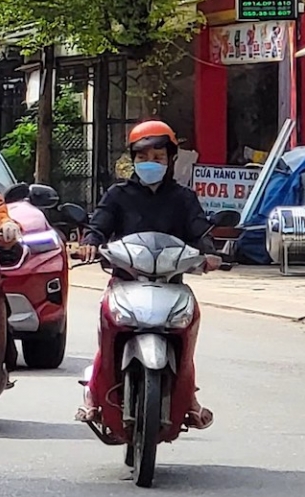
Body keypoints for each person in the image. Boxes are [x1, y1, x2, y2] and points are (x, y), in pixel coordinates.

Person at [77, 120, 215, 430]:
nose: (150, 164)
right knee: (108, 335)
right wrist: (89, 243)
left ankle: (188, 399)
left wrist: (210, 252)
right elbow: (99, 224)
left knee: (185, 336)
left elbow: (199, 228)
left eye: (158, 158)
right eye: (142, 158)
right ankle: (93, 393)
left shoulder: (183, 198)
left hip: (171, 283)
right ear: (132, 160)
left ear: (170, 161)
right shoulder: (118, 194)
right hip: (126, 280)